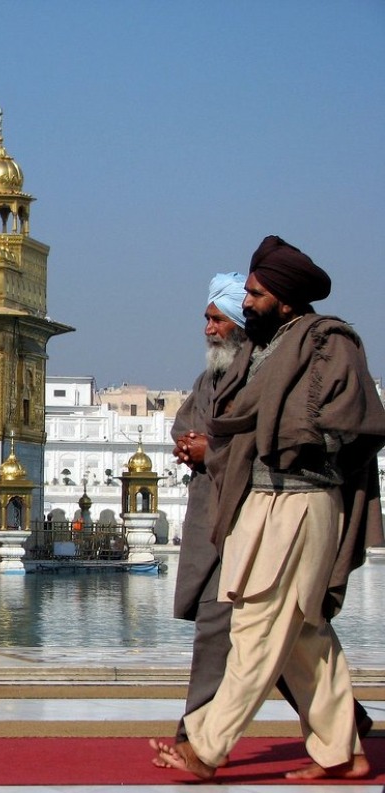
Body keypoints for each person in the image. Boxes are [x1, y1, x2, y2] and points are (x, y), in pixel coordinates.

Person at [152, 236, 385, 780]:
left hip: (301, 501)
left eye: (254, 293)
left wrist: (262, 438)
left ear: (282, 296)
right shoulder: (266, 346)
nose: (247, 301)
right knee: (303, 634)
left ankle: (206, 747)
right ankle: (342, 750)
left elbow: (353, 422)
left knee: (255, 627)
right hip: (260, 500)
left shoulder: (331, 344)